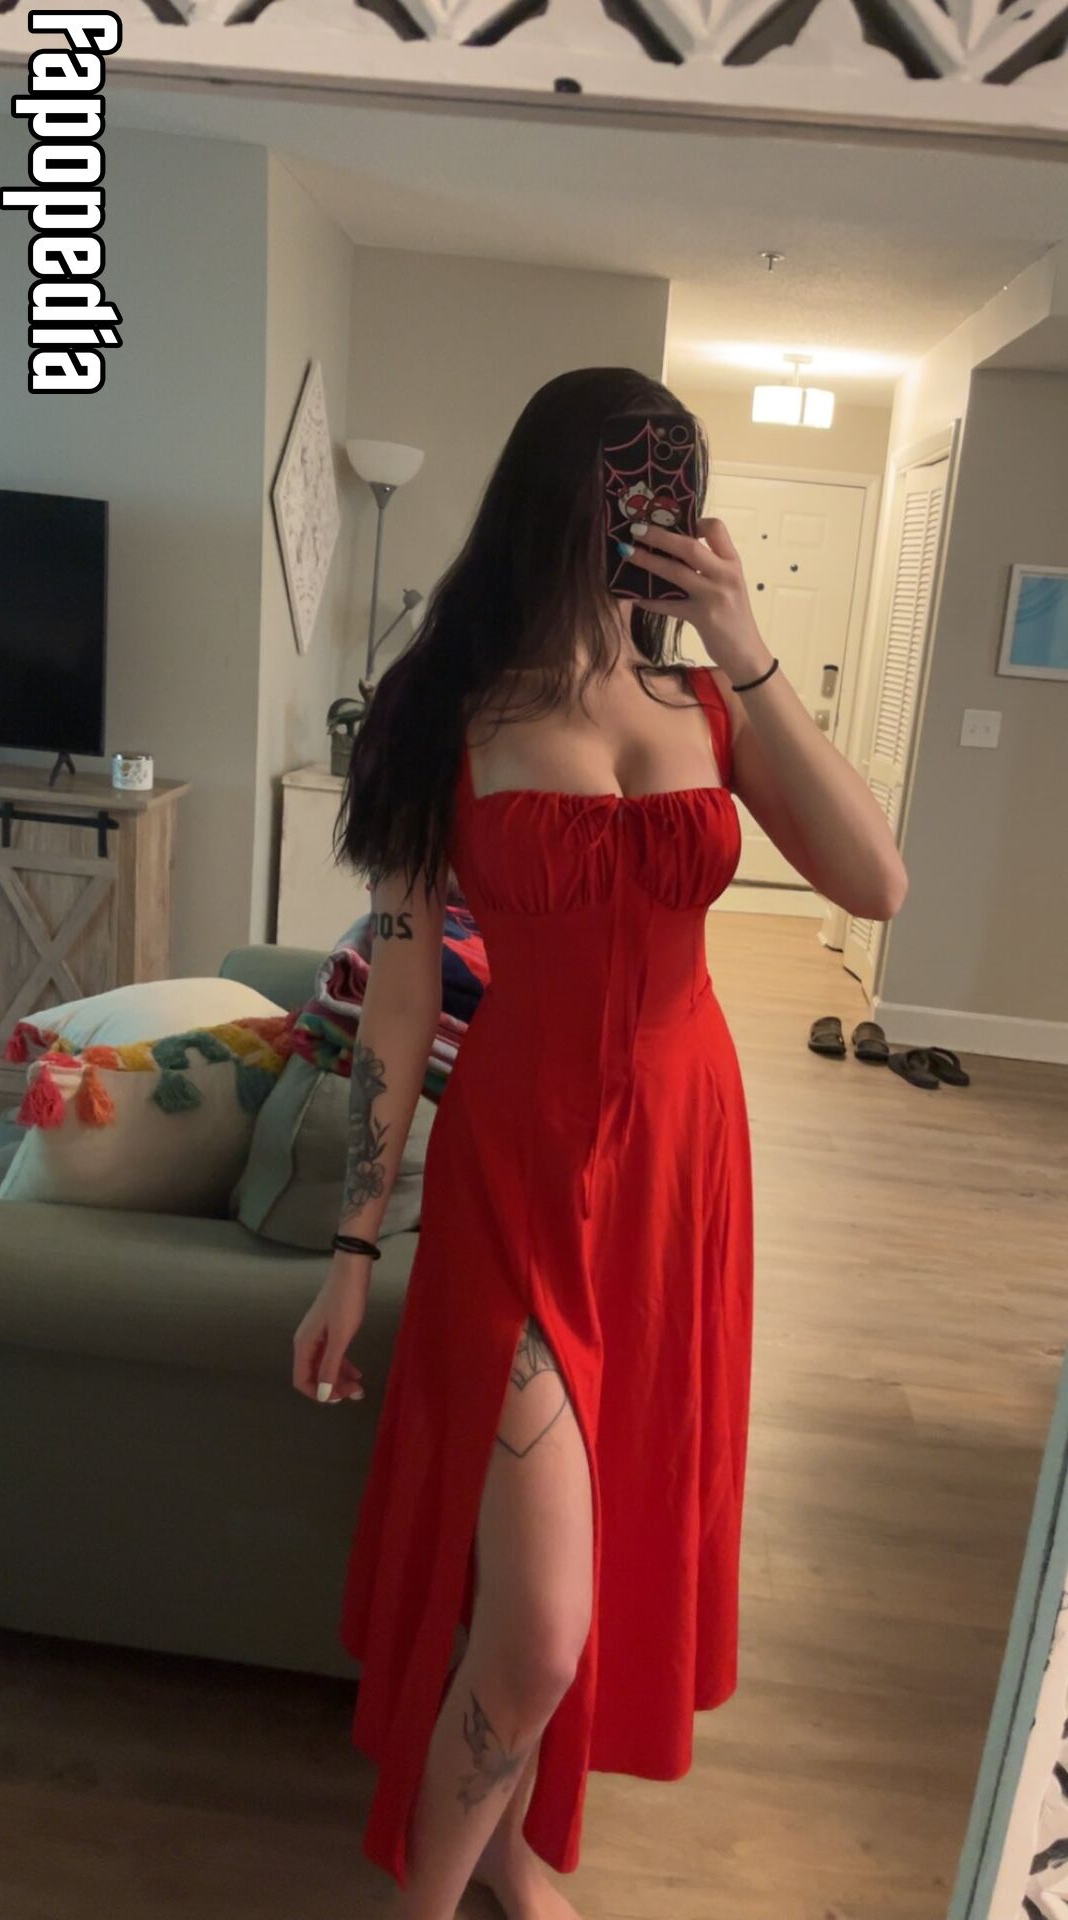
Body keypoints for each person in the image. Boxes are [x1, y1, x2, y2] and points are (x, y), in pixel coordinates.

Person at [292, 366, 908, 1920]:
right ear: (558, 496)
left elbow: (876, 884)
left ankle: (506, 1852)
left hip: (682, 1174)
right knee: (542, 1623)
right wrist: (355, 1246)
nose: (653, 516)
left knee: (571, 1566)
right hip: (517, 1171)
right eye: (629, 487)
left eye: (675, 490)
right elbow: (401, 990)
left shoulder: (711, 704)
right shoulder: (444, 709)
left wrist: (747, 643)